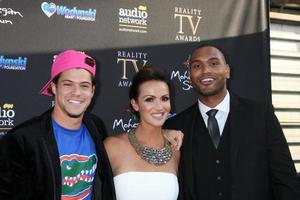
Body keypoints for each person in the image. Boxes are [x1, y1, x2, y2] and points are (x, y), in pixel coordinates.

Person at [164, 44, 300, 200]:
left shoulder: (261, 115)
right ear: (189, 75)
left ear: (227, 70)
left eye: (214, 63)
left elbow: (284, 178)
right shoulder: (175, 126)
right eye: (197, 66)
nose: (205, 70)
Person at [0, 50, 115, 200]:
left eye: (84, 86)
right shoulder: (23, 139)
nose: (77, 92)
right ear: (54, 87)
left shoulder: (96, 127)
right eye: (68, 84)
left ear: (93, 91)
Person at [104, 65, 181, 200]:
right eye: (149, 99)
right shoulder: (112, 147)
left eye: (164, 98)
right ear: (135, 104)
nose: (159, 107)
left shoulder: (175, 150)